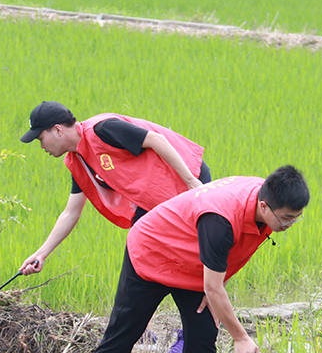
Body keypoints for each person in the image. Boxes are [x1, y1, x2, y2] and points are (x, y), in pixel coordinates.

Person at [68, 165, 309, 353]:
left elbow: (231, 256)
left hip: (192, 261)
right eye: (286, 218)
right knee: (121, 338)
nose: (289, 225)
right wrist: (240, 336)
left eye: (296, 218)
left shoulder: (266, 199)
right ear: (264, 205)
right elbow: (220, 258)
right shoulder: (221, 218)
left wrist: (215, 290)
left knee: (204, 335)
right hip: (153, 253)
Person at [17, 101, 212, 275]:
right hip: (153, 199)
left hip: (186, 179)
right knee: (142, 252)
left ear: (58, 130)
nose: (41, 146)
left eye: (40, 138)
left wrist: (191, 182)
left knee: (158, 255)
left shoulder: (102, 129)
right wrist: (41, 254)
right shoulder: (78, 161)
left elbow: (156, 140)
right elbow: (70, 213)